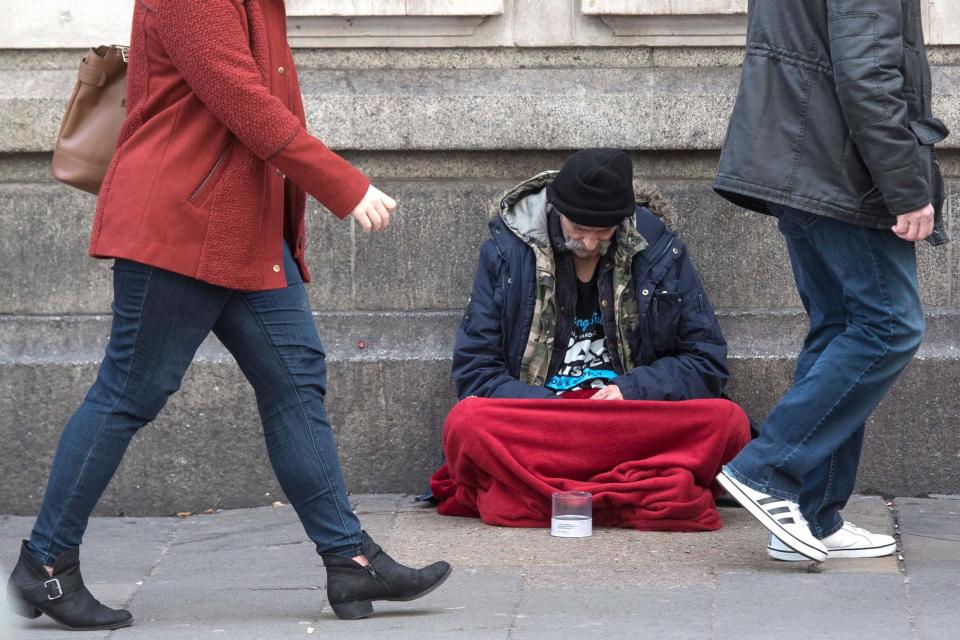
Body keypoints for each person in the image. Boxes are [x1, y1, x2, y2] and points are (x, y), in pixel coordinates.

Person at [5, 0, 450, 630]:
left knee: (295, 384)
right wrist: (342, 184)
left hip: (245, 230)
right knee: (129, 392)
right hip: (179, 225)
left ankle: (351, 560)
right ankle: (44, 566)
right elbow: (242, 100)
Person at [713, 0, 949, 562]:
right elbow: (868, 70)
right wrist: (905, 185)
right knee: (888, 327)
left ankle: (813, 516)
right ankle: (766, 470)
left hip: (801, 159)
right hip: (840, 170)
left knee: (839, 327)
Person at [431, 149, 752, 532]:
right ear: (555, 209)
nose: (588, 244)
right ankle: (632, 492)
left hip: (627, 416)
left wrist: (631, 390)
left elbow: (706, 361)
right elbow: (476, 372)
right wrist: (549, 406)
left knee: (729, 422)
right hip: (545, 417)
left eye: (603, 233)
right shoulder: (507, 252)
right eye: (577, 229)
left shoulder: (659, 250)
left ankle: (541, 493)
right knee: (466, 422)